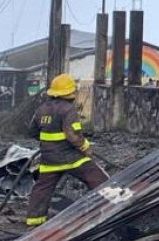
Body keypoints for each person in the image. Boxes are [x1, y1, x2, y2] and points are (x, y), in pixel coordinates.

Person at [25, 74, 109, 227]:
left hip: (49, 159)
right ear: (70, 93)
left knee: (42, 188)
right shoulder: (68, 109)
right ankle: (111, 205)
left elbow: (32, 132)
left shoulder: (41, 109)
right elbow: (73, 134)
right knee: (97, 177)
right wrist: (85, 147)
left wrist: (49, 143)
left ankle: (34, 219)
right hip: (72, 158)